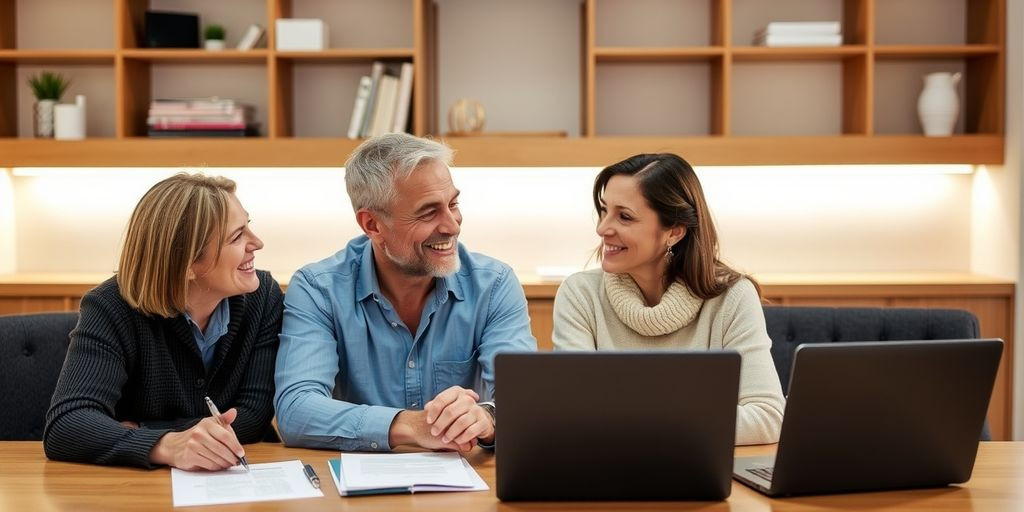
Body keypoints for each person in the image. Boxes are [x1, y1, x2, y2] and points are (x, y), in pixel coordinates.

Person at [275, 133, 536, 453]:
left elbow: (525, 404)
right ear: (372, 225)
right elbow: (296, 410)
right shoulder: (318, 289)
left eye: (453, 203)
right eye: (428, 212)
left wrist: (487, 418)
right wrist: (409, 425)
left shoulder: (493, 285)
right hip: (355, 495)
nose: (452, 225)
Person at [44, 173, 282, 469]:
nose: (256, 243)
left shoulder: (264, 297)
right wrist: (166, 445)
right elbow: (67, 425)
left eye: (249, 225)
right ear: (189, 265)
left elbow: (253, 416)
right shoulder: (110, 306)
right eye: (237, 236)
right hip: (139, 489)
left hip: (242, 476)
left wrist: (142, 429)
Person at [552, 153, 785, 445]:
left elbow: (767, 417)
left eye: (624, 216)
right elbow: (573, 412)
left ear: (674, 231)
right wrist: (686, 421)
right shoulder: (580, 295)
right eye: (604, 211)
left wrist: (632, 420)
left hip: (702, 477)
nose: (602, 228)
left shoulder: (733, 297)